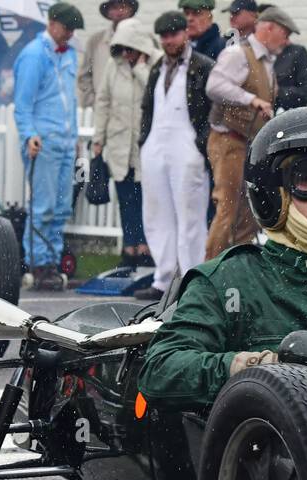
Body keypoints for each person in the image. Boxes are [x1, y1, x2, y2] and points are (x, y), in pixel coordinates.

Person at [138, 107, 307, 408]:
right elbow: (161, 369)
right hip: (272, 444)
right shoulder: (230, 279)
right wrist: (259, 367)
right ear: (272, 192)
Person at [204, 6, 292, 258]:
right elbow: (215, 85)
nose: (286, 41)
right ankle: (210, 271)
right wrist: (251, 99)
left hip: (246, 143)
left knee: (248, 209)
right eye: (284, 33)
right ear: (268, 28)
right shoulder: (237, 54)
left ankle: (237, 267)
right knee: (228, 208)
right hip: (228, 140)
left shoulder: (265, 61)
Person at [138, 12, 213, 298]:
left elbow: (213, 110)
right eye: (164, 36)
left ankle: (193, 277)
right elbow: (147, 107)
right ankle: (164, 277)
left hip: (187, 144)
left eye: (174, 34)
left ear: (185, 34)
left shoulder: (203, 66)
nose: (169, 40)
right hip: (156, 143)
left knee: (190, 213)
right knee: (157, 213)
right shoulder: (158, 67)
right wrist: (143, 141)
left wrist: (200, 144)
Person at [13, 2, 83, 290]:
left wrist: (76, 137)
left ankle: (52, 262)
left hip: (65, 141)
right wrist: (29, 133)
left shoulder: (71, 56)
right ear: (52, 23)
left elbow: (71, 100)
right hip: (43, 141)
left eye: (72, 29)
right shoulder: (33, 55)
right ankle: (38, 264)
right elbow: (22, 103)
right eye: (66, 28)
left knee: (62, 207)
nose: (70, 34)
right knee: (42, 207)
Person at [94, 15, 158, 270]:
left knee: (146, 197)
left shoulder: (155, 61)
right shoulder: (114, 65)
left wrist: (141, 69)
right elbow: (103, 101)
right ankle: (129, 247)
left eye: (130, 48)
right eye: (123, 49)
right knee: (125, 196)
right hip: (120, 142)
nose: (127, 54)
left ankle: (146, 247)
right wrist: (99, 139)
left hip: (145, 143)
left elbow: (155, 92)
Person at [80, 0, 137, 109]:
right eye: (115, 8)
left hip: (133, 110)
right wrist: (94, 103)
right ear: (108, 12)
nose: (119, 12)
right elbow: (84, 77)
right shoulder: (95, 41)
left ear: (131, 10)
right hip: (103, 109)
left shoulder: (145, 40)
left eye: (124, 7)